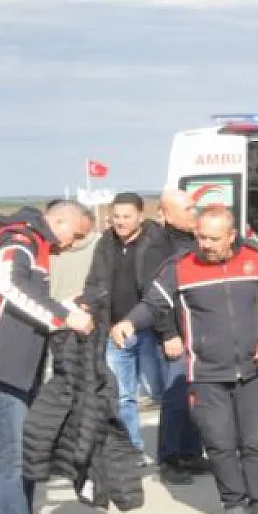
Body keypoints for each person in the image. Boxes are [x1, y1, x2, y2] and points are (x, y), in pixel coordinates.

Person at [113, 205, 258, 514]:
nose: (205, 245)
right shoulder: (180, 268)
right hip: (206, 374)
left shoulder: (253, 260)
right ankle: (233, 506)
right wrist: (128, 322)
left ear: (232, 236)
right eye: (200, 237)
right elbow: (153, 305)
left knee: (252, 444)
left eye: (214, 238)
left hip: (252, 370)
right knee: (220, 445)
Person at [0, 201, 96, 514]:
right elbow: (9, 286)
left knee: (26, 453)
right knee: (14, 458)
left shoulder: (31, 242)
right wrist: (63, 316)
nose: (74, 244)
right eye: (77, 235)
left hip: (9, 365)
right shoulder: (20, 239)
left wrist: (61, 305)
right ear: (60, 221)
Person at [81, 192, 169, 465]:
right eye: (116, 216)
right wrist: (89, 305)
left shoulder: (157, 241)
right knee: (122, 396)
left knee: (161, 391)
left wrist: (169, 332)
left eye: (126, 216)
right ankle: (133, 449)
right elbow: (95, 282)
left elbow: (163, 290)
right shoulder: (105, 243)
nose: (120, 222)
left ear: (141, 216)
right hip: (115, 331)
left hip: (149, 329)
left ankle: (176, 450)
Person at [148, 190, 207, 485]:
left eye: (194, 207)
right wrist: (168, 333)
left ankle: (192, 452)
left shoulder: (195, 240)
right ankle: (170, 459)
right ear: (167, 214)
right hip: (175, 334)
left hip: (199, 332)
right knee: (175, 397)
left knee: (196, 395)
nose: (194, 212)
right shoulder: (157, 246)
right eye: (187, 208)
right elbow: (155, 297)